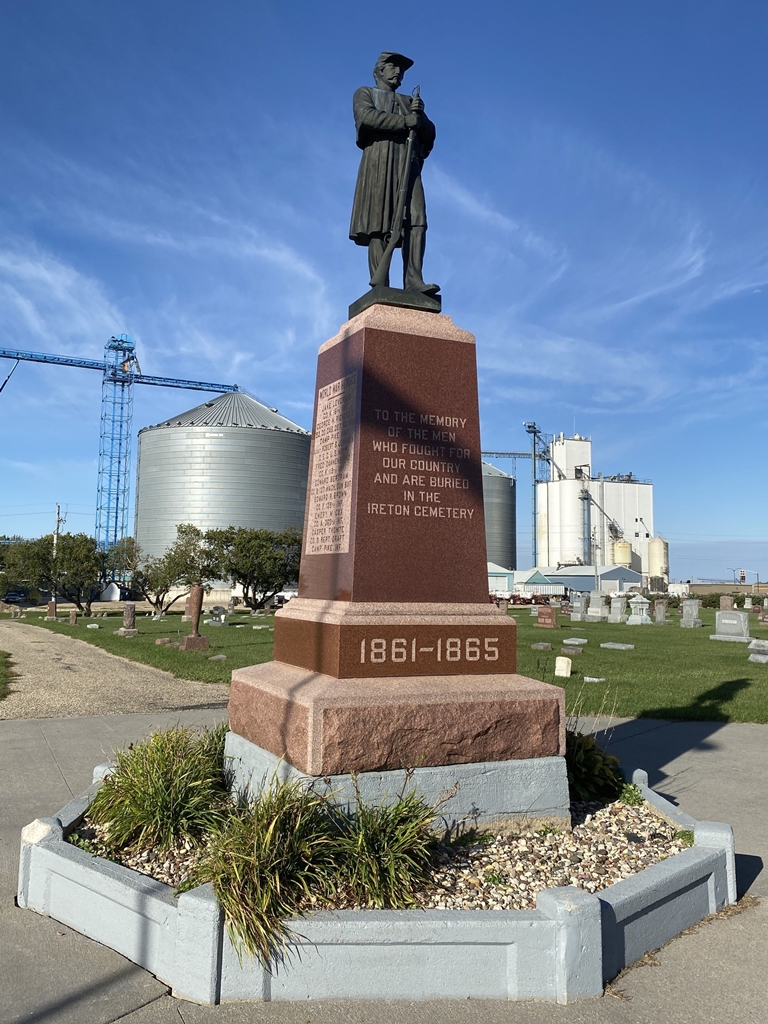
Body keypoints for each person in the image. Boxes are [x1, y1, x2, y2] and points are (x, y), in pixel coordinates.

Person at [350, 51, 439, 295]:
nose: (398, 71)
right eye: (392, 66)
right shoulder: (365, 93)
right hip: (379, 163)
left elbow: (430, 133)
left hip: (407, 166)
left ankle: (414, 280)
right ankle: (381, 285)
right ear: (380, 69)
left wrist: (419, 118)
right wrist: (404, 122)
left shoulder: (408, 102)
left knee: (417, 219)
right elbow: (366, 117)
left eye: (401, 68)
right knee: (379, 224)